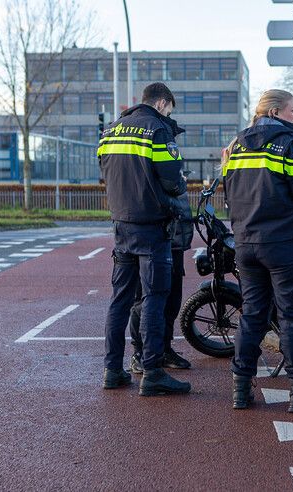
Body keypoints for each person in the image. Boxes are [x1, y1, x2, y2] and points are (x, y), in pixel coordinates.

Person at [222, 89, 293, 413]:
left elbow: (229, 193)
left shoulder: (236, 145)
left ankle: (241, 391)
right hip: (284, 246)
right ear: (274, 112)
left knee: (252, 316)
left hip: (246, 245)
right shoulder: (290, 145)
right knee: (291, 318)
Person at [98, 82, 191, 396]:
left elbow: (106, 173)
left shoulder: (110, 132)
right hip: (152, 228)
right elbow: (174, 181)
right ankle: (152, 371)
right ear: (163, 103)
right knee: (154, 298)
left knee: (120, 300)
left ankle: (113, 370)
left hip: (121, 225)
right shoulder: (157, 130)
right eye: (170, 109)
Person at [128, 187, 194, 374]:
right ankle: (138, 353)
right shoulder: (147, 163)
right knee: (144, 299)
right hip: (153, 238)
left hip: (174, 237)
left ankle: (164, 349)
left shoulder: (171, 160)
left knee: (172, 299)